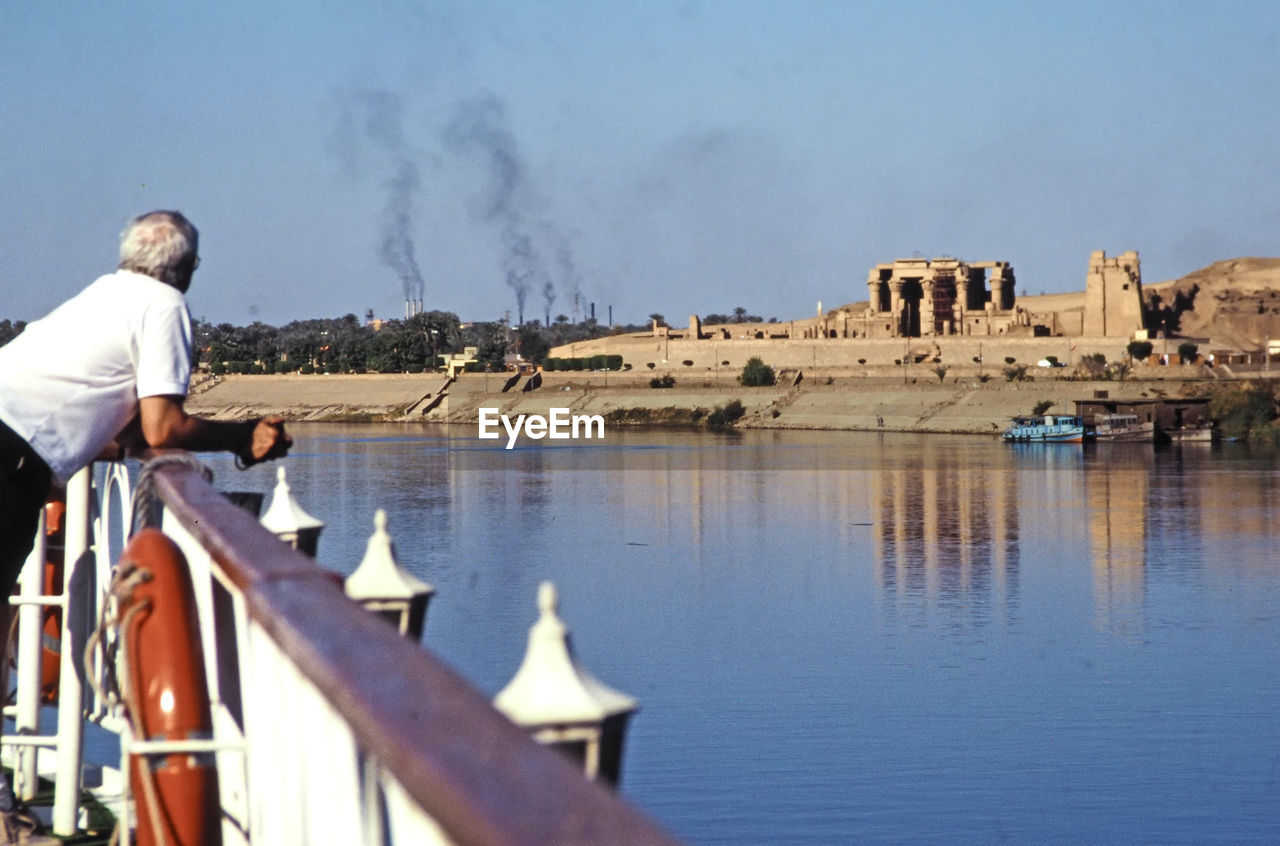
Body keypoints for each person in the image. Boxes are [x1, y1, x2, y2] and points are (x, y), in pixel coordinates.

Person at [0, 210, 291, 840]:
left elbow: (113, 424)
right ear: (186, 267)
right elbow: (162, 428)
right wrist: (245, 435)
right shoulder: (162, 305)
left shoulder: (103, 295)